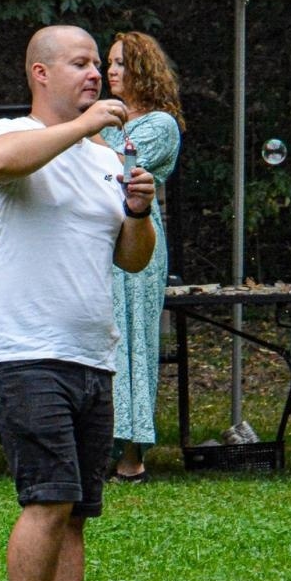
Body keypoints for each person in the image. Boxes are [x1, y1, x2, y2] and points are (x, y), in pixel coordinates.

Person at [0, 24, 157, 581]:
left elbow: (131, 259)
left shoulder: (107, 161)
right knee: (47, 498)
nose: (93, 74)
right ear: (40, 73)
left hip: (90, 356)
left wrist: (137, 211)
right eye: (80, 63)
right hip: (24, 351)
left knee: (77, 509)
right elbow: (3, 165)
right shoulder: (9, 132)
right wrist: (86, 130)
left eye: (95, 64)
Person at [100, 31, 183, 483]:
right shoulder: (99, 120)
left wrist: (84, 128)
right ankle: (100, 442)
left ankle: (132, 454)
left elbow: (116, 170)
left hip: (139, 238)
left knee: (133, 337)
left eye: (120, 64)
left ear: (143, 71)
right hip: (97, 240)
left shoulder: (159, 124)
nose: (110, 71)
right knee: (106, 335)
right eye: (109, 63)